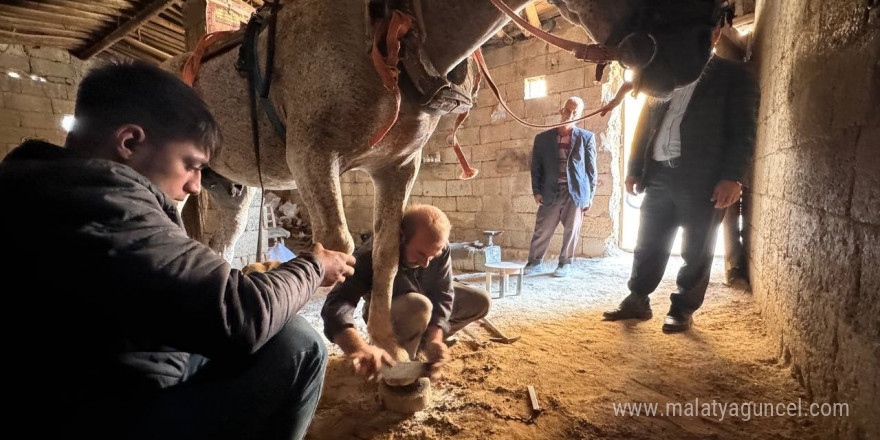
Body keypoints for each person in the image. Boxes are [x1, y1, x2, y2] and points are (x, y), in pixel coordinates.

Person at [0, 61, 355, 440]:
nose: (196, 186)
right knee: (298, 344)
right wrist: (315, 265)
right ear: (130, 142)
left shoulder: (37, 184)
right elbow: (240, 315)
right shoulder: (103, 202)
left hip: (85, 379)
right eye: (191, 165)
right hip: (97, 415)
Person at [603, 23, 759, 333]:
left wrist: (733, 177)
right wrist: (635, 168)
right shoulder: (664, 77)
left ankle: (682, 308)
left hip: (703, 178)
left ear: (715, 35)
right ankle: (638, 298)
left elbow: (744, 131)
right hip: (659, 175)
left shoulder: (734, 76)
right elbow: (643, 127)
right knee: (648, 242)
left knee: (697, 248)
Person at [321, 205, 491, 379]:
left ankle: (423, 345)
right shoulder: (372, 253)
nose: (425, 263)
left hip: (424, 302)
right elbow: (336, 304)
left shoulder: (438, 247)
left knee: (480, 301)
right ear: (402, 238)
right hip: (392, 314)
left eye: (433, 256)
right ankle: (399, 368)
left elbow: (443, 293)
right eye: (420, 254)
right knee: (418, 305)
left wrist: (435, 337)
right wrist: (357, 347)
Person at [524, 96, 598, 277]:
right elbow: (536, 167)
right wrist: (536, 191)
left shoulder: (586, 138)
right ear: (561, 110)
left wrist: (590, 196)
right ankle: (535, 262)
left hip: (576, 192)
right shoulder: (542, 138)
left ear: (579, 116)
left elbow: (591, 170)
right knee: (542, 228)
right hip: (550, 190)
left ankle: (565, 263)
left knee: (572, 229)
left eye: (575, 112)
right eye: (567, 110)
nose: (569, 114)